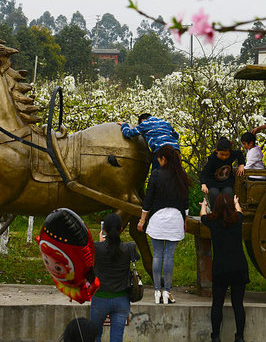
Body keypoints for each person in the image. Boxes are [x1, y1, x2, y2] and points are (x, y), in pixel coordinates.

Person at [138, 144, 190, 304]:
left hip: (158, 219)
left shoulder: (156, 174)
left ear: (163, 159)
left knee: (158, 255)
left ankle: (156, 291)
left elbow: (148, 200)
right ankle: (167, 291)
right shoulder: (181, 175)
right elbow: (185, 202)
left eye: (159, 158)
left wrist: (142, 220)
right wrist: (185, 221)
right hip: (176, 219)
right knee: (169, 257)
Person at [200, 193, 248, 342]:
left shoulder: (212, 221)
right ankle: (239, 336)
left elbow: (202, 216)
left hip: (221, 267)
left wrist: (203, 206)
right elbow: (239, 210)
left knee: (217, 303)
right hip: (239, 266)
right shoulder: (238, 219)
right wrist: (236, 202)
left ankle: (215, 336)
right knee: (238, 304)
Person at [90, 213, 139, 342]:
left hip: (100, 298)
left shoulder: (96, 248)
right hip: (122, 299)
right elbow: (135, 257)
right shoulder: (129, 248)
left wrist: (101, 243)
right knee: (117, 338)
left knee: (95, 336)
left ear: (104, 230)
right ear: (121, 230)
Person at [200, 137, 246, 206]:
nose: (224, 157)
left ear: (230, 152)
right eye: (222, 154)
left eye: (226, 155)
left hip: (226, 182)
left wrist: (241, 164)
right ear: (216, 151)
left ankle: (228, 212)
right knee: (214, 194)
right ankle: (215, 212)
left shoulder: (231, 154)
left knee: (228, 193)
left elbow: (239, 154)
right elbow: (204, 173)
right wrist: (203, 184)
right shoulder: (212, 159)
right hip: (213, 182)